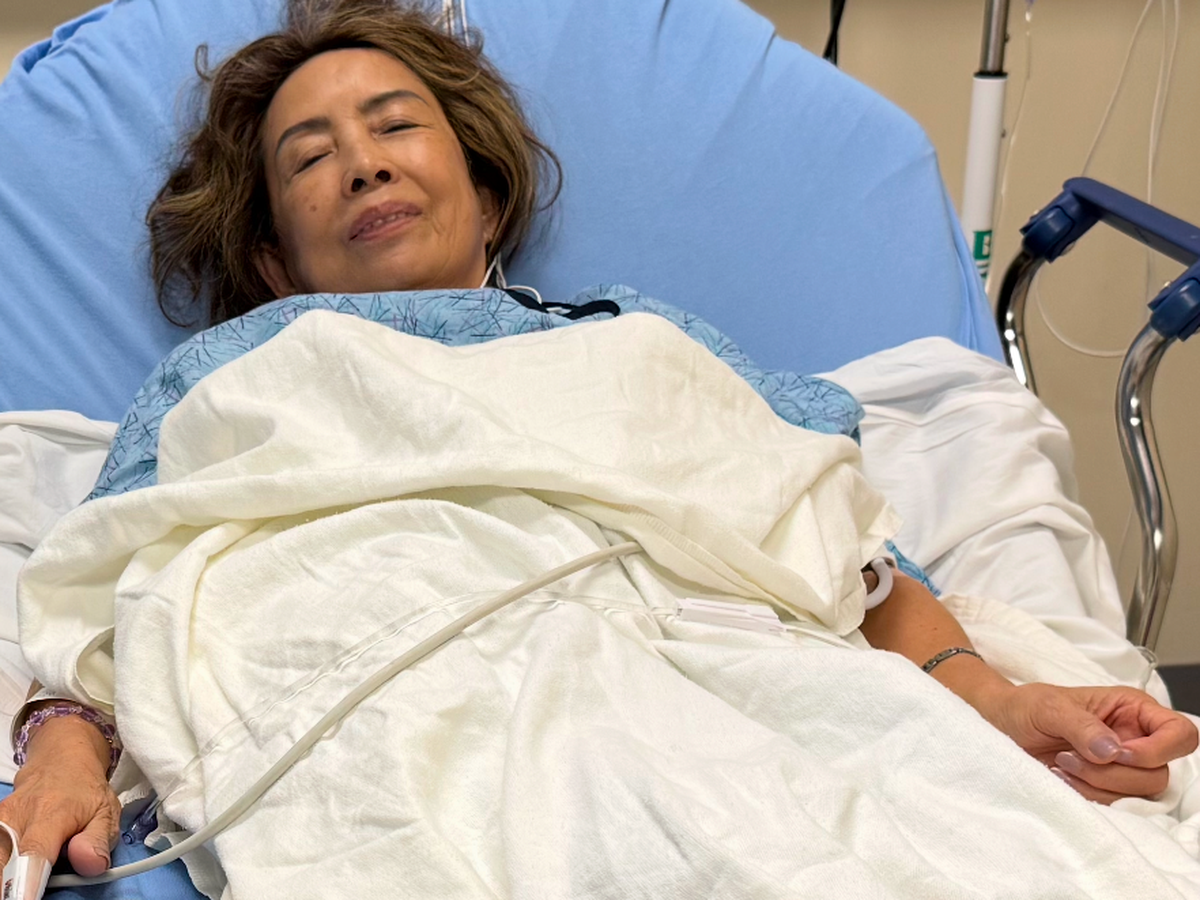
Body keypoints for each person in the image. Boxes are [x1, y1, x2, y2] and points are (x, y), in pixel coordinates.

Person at [5, 0, 1197, 885]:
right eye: (308, 159)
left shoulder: (636, 336)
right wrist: (63, 753)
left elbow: (832, 534)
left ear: (485, 197)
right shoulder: (227, 371)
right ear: (275, 262)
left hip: (711, 676)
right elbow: (111, 569)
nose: (361, 162)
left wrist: (993, 700)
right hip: (370, 682)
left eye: (395, 126)